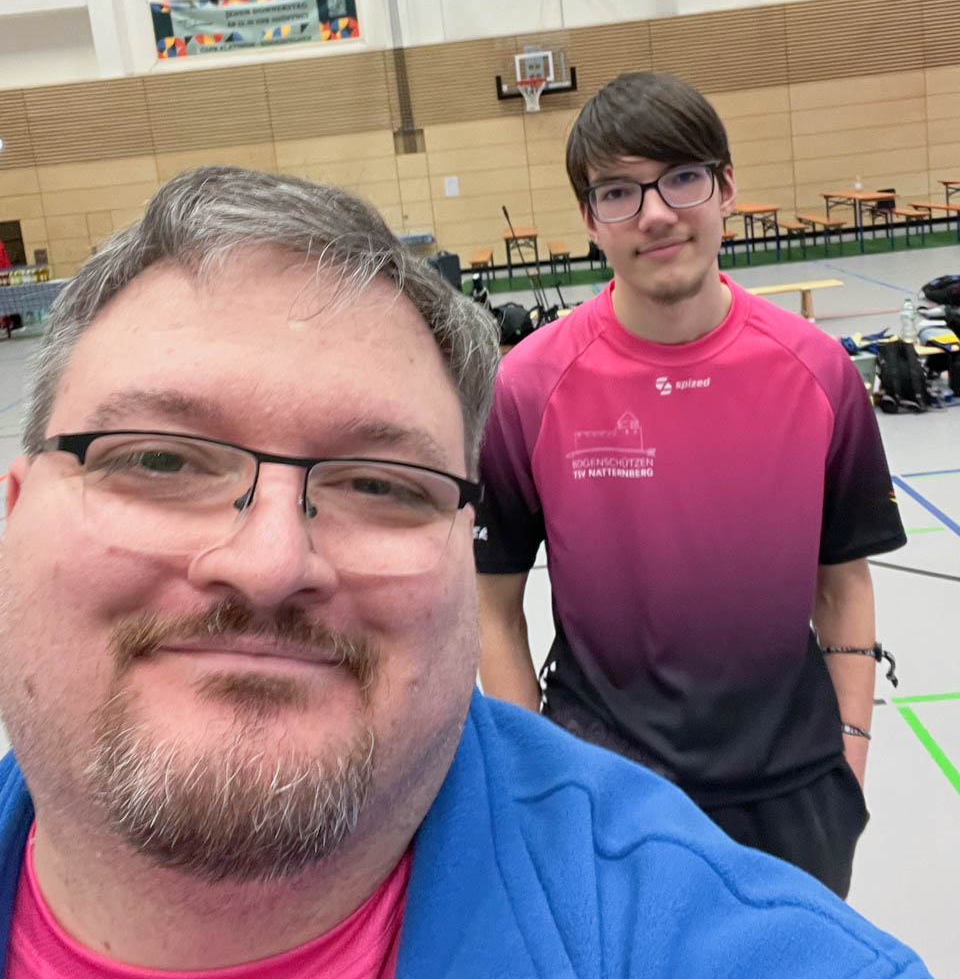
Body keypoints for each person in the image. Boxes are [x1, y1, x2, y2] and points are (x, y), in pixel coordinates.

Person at [0, 164, 929, 978]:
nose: (270, 562)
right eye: (159, 460)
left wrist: (847, 743)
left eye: (379, 484)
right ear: (14, 511)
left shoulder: (740, 943)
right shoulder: (546, 382)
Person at [475, 72, 907, 900]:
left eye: (681, 177)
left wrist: (849, 758)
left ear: (726, 187)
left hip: (794, 792)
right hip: (603, 788)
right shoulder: (528, 387)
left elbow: (844, 585)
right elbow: (491, 604)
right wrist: (536, 779)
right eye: (618, 192)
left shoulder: (819, 372)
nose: (655, 213)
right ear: (589, 219)